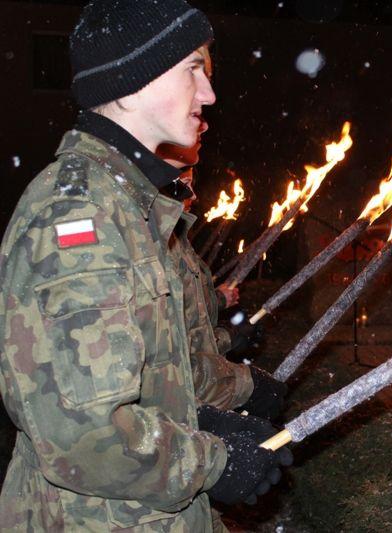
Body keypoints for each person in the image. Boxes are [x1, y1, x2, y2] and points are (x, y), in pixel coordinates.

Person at [0, 2, 288, 529]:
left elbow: (143, 378)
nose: (208, 93)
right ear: (131, 83)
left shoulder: (127, 204)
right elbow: (84, 437)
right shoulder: (79, 217)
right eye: (192, 70)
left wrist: (207, 420)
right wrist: (215, 463)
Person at [158, 122, 287, 420]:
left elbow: (191, 310)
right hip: (189, 407)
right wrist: (231, 341)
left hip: (203, 389)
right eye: (183, 182)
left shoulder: (175, 236)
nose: (192, 193)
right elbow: (176, 356)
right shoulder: (160, 242)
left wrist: (219, 301)